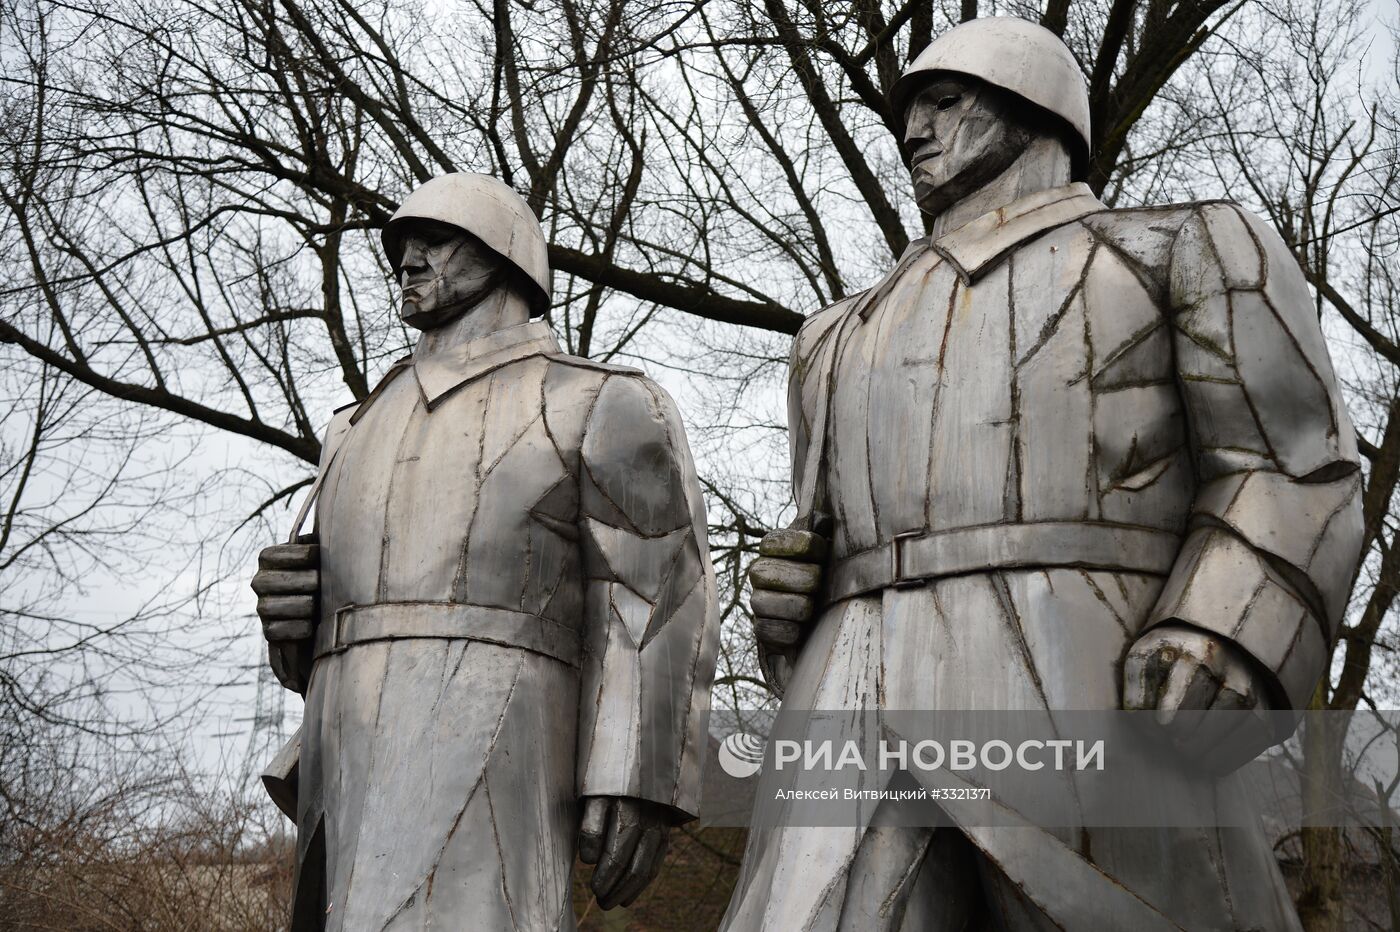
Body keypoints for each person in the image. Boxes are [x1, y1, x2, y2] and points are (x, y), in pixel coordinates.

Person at [729, 17, 1363, 931]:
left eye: (945, 102)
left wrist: (1228, 629)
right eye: (909, 112)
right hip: (850, 708)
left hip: (1086, 691)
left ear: (1036, 104)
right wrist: (794, 601)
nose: (913, 130)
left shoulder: (1176, 249)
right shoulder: (832, 339)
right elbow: (825, 533)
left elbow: (1290, 464)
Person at [250, 172, 719, 930]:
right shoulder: (352, 427)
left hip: (500, 728)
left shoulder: (597, 400)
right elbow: (326, 627)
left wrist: (639, 772)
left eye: (433, 241)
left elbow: (656, 592)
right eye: (400, 247)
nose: (407, 260)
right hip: (348, 752)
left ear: (505, 251)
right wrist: (291, 622)